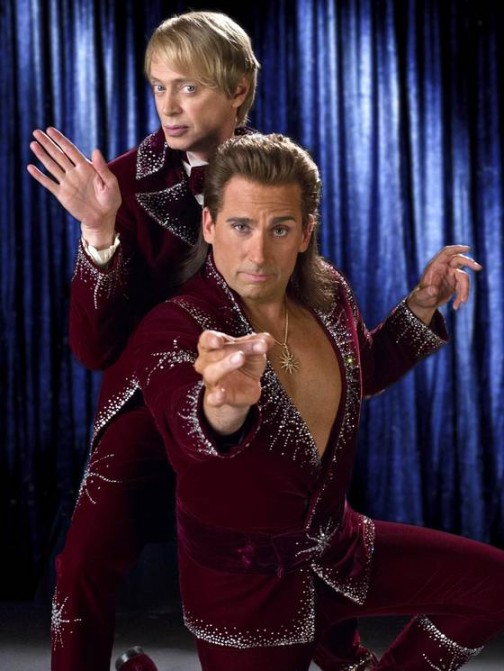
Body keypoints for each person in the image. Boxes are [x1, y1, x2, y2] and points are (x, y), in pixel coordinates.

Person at [27, 11, 372, 671]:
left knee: (308, 534)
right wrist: (99, 234)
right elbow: (94, 350)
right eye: (160, 87)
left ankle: (343, 654)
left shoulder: (276, 173)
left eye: (189, 87)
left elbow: (305, 288)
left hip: (257, 390)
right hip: (147, 403)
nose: (169, 105)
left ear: (238, 89)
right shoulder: (120, 185)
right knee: (84, 561)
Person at [115, 132, 504, 671]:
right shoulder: (172, 328)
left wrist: (421, 305)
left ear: (305, 233)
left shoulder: (328, 294)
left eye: (279, 228)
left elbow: (363, 372)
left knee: (493, 586)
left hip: (340, 551)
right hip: (249, 592)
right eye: (240, 226)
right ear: (209, 225)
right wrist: (223, 408)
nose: (258, 253)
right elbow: (189, 423)